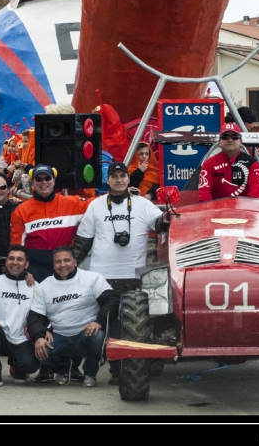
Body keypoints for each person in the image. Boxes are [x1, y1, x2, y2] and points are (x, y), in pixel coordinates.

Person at [73, 161, 171, 385]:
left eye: (123, 176)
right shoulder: (96, 206)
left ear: (129, 179)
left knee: (130, 328)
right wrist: (68, 267)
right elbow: (82, 243)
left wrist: (165, 219)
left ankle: (123, 370)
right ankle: (104, 369)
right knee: (105, 325)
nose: (119, 180)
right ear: (107, 180)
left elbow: (159, 223)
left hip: (132, 276)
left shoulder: (142, 205)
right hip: (101, 277)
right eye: (114, 176)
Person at [9, 163, 93, 383]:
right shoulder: (22, 210)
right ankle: (47, 365)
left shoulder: (72, 203)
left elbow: (98, 205)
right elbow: (16, 247)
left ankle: (74, 366)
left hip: (64, 266)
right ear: (32, 183)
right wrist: (21, 273)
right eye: (39, 180)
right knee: (41, 316)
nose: (43, 183)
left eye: (47, 179)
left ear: (55, 181)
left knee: (72, 311)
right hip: (36, 268)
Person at [27, 247, 119, 387]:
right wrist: (38, 337)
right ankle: (63, 370)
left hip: (86, 335)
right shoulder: (45, 286)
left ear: (75, 262)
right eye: (58, 262)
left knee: (98, 336)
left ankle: (90, 373)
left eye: (66, 260)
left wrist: (98, 322)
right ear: (53, 265)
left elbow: (112, 300)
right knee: (42, 351)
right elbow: (35, 317)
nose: (62, 265)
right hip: (59, 336)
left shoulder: (92, 278)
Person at [0, 244, 40, 386]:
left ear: (26, 264)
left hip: (21, 337)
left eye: (20, 259)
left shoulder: (35, 286)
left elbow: (42, 315)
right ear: (6, 262)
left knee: (31, 366)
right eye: (11, 258)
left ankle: (18, 368)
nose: (15, 262)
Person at [198, 122, 259, 201]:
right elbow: (204, 195)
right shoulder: (209, 164)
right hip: (216, 211)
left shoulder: (253, 164)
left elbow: (256, 195)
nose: (230, 140)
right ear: (219, 142)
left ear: (241, 142)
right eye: (225, 137)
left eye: (234, 137)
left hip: (244, 211)